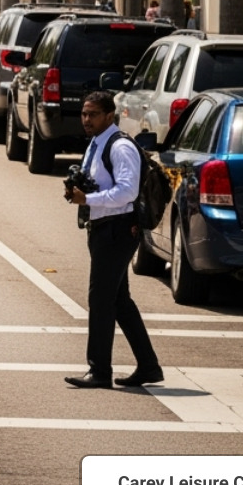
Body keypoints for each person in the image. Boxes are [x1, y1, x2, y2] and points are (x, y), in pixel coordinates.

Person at [63, 91, 162, 389]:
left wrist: (88, 198)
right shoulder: (97, 143)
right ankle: (148, 366)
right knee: (119, 301)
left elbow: (128, 192)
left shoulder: (120, 147)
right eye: (83, 113)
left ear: (109, 115)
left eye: (93, 114)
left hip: (118, 229)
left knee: (101, 298)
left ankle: (100, 371)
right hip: (103, 227)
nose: (86, 119)